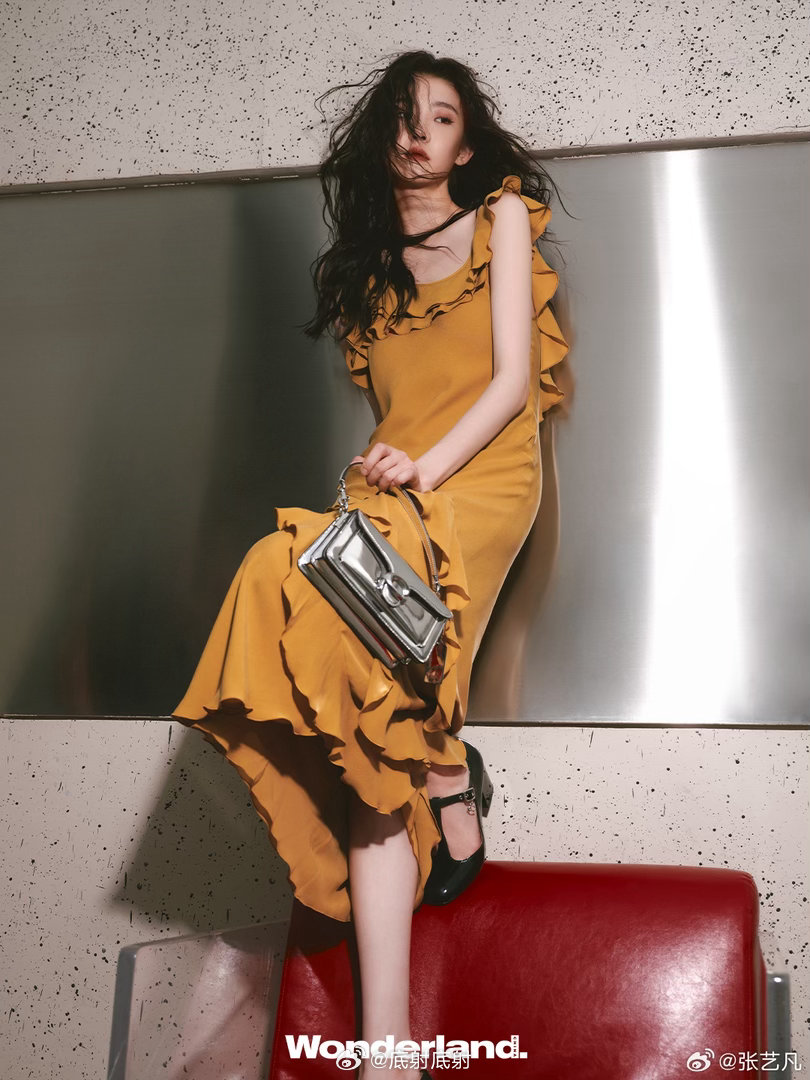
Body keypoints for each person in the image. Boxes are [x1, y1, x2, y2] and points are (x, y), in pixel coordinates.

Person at [172, 49, 570, 1080]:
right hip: (394, 491)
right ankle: (388, 1047)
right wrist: (391, 475)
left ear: (466, 146)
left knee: (374, 686)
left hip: (483, 478)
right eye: (403, 116)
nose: (417, 134)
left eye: (440, 118)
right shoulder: (361, 272)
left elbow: (511, 385)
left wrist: (424, 470)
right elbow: (395, 412)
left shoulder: (502, 218)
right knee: (322, 647)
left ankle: (447, 775)